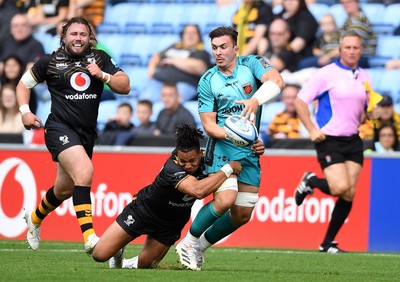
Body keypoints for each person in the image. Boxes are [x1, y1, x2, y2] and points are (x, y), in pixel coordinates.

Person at [16, 16, 130, 254]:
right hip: (59, 128)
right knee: (85, 171)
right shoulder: (49, 61)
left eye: (83, 34)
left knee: (64, 189)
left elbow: (125, 85)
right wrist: (25, 112)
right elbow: (23, 85)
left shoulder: (100, 58)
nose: (78, 38)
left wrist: (104, 76)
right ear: (64, 36)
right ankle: (90, 238)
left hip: (86, 133)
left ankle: (34, 219)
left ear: (90, 38)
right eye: (74, 34)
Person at [176, 26, 284, 271]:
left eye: (223, 47)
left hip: (249, 153)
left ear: (236, 47)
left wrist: (255, 100)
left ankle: (200, 247)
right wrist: (240, 138)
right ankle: (188, 242)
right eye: (214, 48)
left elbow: (277, 81)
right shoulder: (208, 80)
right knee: (226, 200)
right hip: (222, 150)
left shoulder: (253, 64)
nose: (218, 52)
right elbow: (209, 125)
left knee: (242, 215)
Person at [91, 124, 245, 269]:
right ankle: (117, 250)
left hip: (171, 224)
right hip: (144, 211)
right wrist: (228, 169)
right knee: (99, 255)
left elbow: (232, 150)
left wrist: (254, 147)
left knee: (146, 265)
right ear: (177, 155)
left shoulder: (209, 161)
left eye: (192, 160)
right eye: (183, 161)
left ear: (200, 153)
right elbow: (198, 191)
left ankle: (126, 264)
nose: (188, 165)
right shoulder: (172, 167)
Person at [293, 30, 372, 253]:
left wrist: (370, 113)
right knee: (339, 187)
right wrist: (311, 129)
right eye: (347, 47)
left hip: (353, 139)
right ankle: (310, 181)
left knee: (349, 192)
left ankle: (327, 243)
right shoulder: (326, 74)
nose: (352, 51)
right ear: (340, 49)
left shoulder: (365, 76)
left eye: (356, 47)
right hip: (329, 138)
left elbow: (363, 109)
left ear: (361, 50)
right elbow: (300, 101)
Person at [139, 24, 212, 103]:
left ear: (199, 37)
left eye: (193, 33)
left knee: (171, 104)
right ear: (182, 35)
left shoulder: (202, 52)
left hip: (183, 84)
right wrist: (151, 68)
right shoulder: (174, 47)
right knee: (144, 104)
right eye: (187, 33)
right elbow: (157, 57)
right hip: (159, 82)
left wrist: (173, 61)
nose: (190, 36)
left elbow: (200, 68)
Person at [270, 0, 318, 69]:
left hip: (299, 59)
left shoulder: (306, 18)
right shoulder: (279, 16)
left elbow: (299, 43)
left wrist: (281, 58)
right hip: (276, 55)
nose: (289, 2)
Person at [332, 0, 377, 69]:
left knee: (325, 64)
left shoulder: (361, 20)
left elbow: (351, 45)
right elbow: (334, 40)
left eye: (349, 2)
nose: (346, 5)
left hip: (361, 57)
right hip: (344, 55)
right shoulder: (347, 21)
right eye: (343, 3)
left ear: (357, 3)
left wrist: (327, 56)